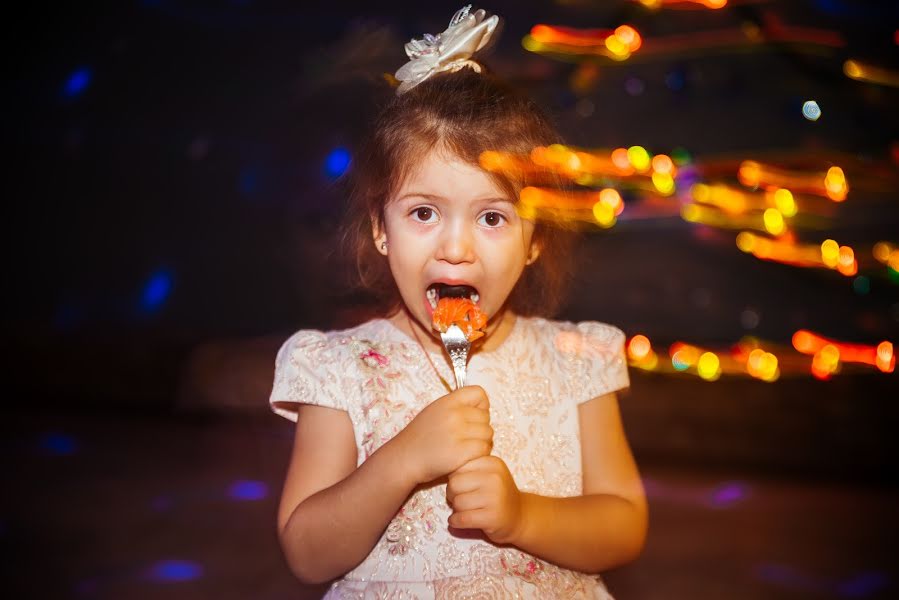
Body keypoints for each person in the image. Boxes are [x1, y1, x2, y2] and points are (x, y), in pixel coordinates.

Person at [270, 6, 647, 598]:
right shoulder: (336, 368)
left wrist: (523, 516)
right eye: (424, 212)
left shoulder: (577, 360)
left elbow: (624, 525)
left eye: (492, 217)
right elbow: (307, 553)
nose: (455, 247)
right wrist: (402, 461)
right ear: (380, 230)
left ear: (533, 242)